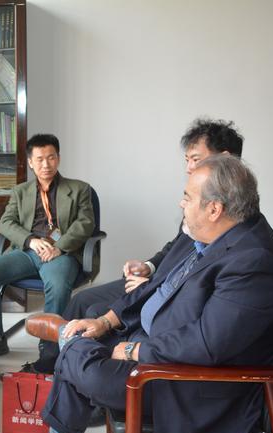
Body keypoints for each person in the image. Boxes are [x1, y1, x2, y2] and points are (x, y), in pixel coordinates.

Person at [5, 154, 273, 433]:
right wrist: (107, 322)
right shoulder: (213, 234)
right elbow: (156, 286)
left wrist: (135, 351)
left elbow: (207, 344)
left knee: (75, 355)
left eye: (187, 197)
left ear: (214, 209)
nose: (181, 203)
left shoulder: (254, 261)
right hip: (158, 344)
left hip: (186, 381)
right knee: (83, 338)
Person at [27, 118, 245, 374]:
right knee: (82, 301)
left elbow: (198, 288)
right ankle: (53, 364)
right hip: (158, 282)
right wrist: (149, 266)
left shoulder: (227, 217)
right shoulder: (199, 202)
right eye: (186, 160)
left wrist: (159, 285)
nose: (188, 168)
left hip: (167, 294)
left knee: (94, 314)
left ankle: (63, 363)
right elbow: (176, 248)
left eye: (195, 159)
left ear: (225, 159)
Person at [0, 133, 97, 357]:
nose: (46, 164)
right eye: (39, 159)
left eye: (51, 157)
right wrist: (30, 240)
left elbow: (86, 223)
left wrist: (59, 247)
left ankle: (49, 346)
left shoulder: (80, 189)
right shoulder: (20, 192)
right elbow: (5, 222)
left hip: (61, 253)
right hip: (27, 251)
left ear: (58, 158)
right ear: (31, 162)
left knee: (58, 284)